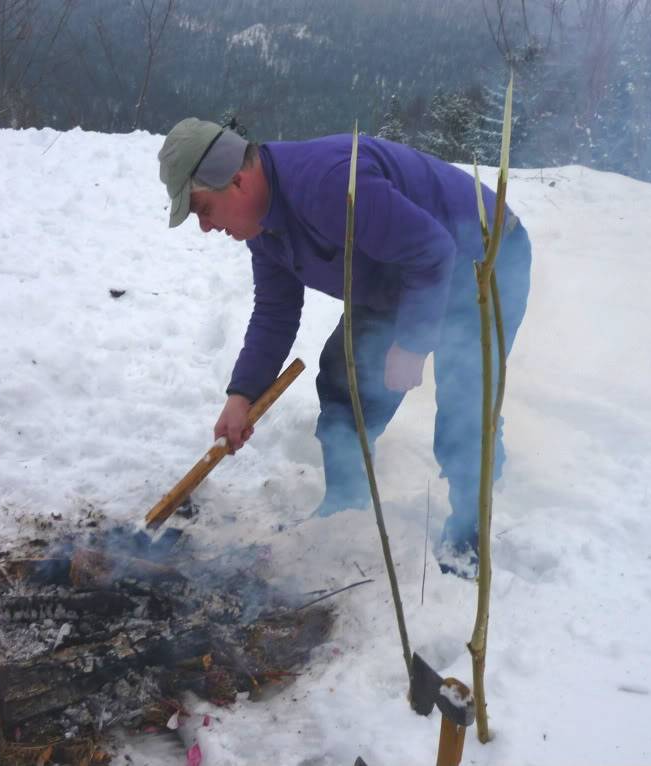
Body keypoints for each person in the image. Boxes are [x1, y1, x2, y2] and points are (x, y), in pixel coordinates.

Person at [157, 117, 531, 574]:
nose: (205, 227)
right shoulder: (264, 228)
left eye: (202, 209)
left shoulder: (329, 185)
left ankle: (469, 539)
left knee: (464, 401)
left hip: (483, 258)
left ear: (235, 181)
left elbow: (433, 250)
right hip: (395, 275)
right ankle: (346, 505)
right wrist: (242, 396)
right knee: (346, 380)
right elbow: (275, 314)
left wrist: (412, 344)